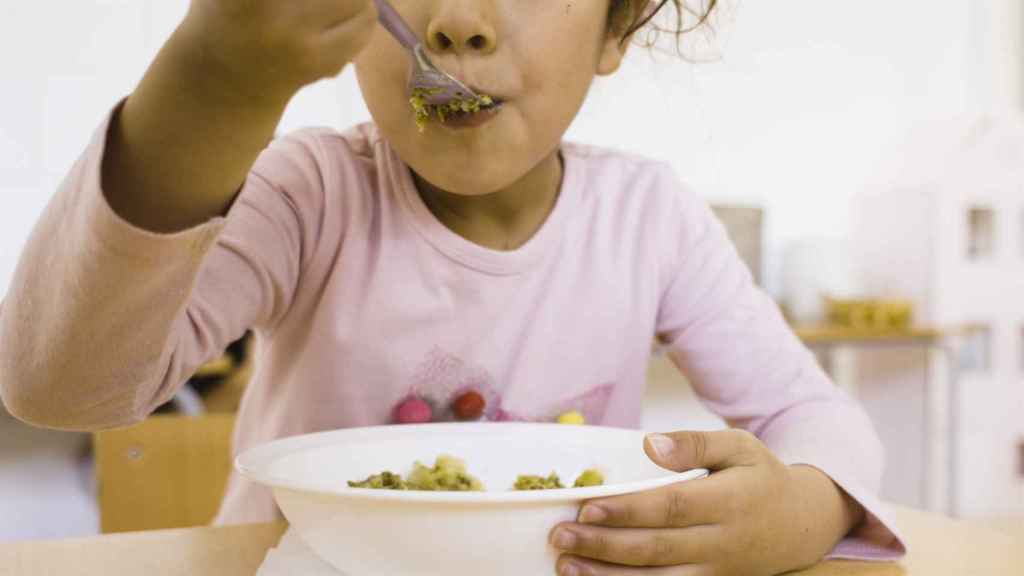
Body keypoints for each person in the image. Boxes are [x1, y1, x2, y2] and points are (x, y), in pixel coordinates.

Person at [0, 0, 904, 573]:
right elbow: (60, 385)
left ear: (618, 26)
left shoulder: (648, 216)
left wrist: (805, 508)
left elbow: (817, 418)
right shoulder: (311, 194)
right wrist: (211, 86)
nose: (458, 21)